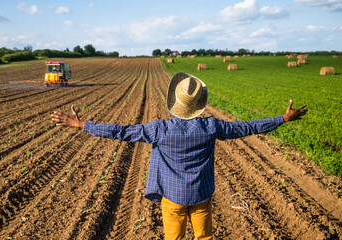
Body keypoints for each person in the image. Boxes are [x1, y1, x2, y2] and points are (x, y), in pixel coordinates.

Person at [51, 72, 307, 240]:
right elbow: (248, 127)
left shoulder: (159, 129)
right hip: (201, 195)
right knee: (204, 237)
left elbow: (121, 132)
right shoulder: (212, 126)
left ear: (175, 102)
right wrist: (282, 119)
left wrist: (82, 124)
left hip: (172, 198)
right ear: (199, 105)